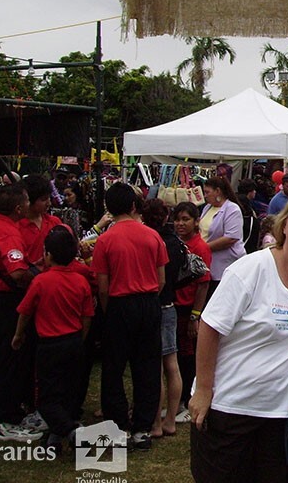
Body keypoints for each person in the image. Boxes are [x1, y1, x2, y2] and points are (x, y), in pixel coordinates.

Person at [189, 189, 288, 483]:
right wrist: (204, 389)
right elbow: (210, 325)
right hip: (229, 407)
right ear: (284, 225)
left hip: (280, 416)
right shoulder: (251, 269)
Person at [91, 182, 168, 451]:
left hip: (118, 304)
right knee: (146, 367)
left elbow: (102, 285)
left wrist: (108, 309)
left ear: (108, 209)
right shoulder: (151, 236)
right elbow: (161, 280)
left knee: (113, 368)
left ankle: (119, 426)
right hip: (148, 303)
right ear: (134, 206)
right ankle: (142, 429)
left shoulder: (105, 240)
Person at [12, 226, 94, 454]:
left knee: (47, 398)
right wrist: (81, 338)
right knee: (69, 392)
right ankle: (55, 438)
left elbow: (25, 312)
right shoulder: (80, 281)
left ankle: (70, 431)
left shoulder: (40, 282)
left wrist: (19, 335)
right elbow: (87, 315)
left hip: (50, 344)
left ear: (48, 255)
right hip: (74, 341)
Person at [0, 183, 44, 442]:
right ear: (18, 208)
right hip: (4, 303)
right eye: (27, 202)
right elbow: (16, 272)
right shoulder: (7, 232)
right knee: (9, 360)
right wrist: (35, 278)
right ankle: (9, 419)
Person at [140, 199, 186, 440]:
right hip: (170, 304)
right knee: (172, 363)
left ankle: (156, 422)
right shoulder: (175, 242)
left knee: (155, 367)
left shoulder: (149, 241)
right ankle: (170, 420)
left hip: (154, 304)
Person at [172, 201, 212, 419]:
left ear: (196, 222)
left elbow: (203, 283)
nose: (180, 224)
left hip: (189, 309)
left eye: (185, 219)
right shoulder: (175, 243)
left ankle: (188, 400)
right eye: (177, 219)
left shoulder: (200, 247)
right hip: (174, 307)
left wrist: (195, 316)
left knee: (187, 356)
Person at [200, 176, 246, 296]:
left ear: (218, 191)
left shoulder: (232, 209)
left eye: (207, 192)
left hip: (224, 265)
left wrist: (203, 248)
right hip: (208, 262)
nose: (205, 195)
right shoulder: (207, 208)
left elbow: (230, 238)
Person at [19, 174, 63, 266]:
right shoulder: (16, 227)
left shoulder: (55, 222)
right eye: (43, 199)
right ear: (29, 201)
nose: (48, 203)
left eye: (49, 198)